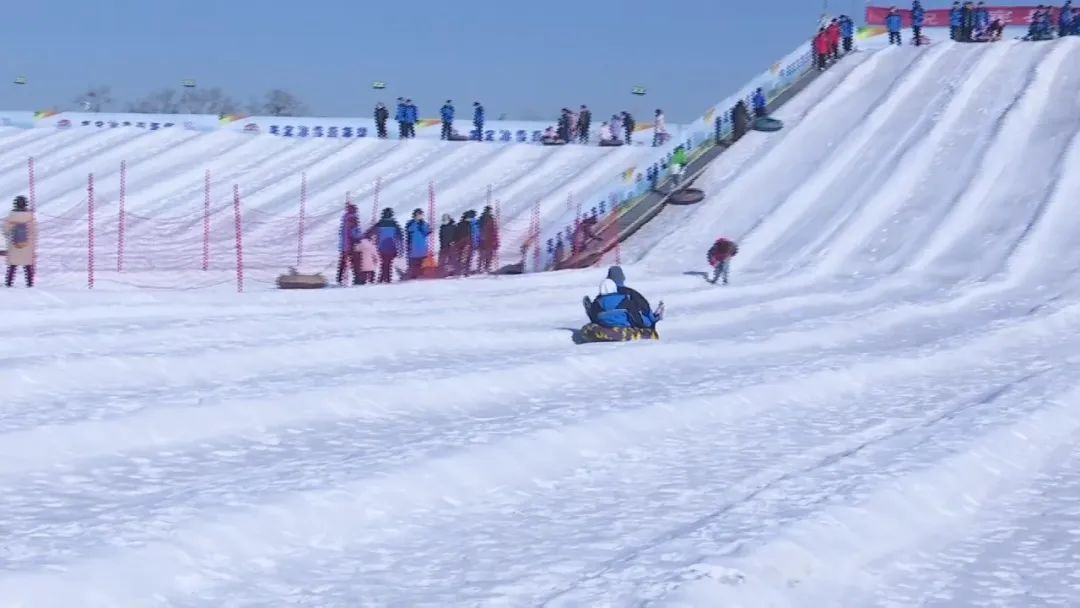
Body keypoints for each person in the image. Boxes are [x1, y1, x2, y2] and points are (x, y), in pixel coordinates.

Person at [584, 266, 661, 330]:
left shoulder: (599, 298)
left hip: (604, 323)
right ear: (622, 277)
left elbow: (594, 314)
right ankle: (653, 318)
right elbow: (643, 307)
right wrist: (650, 322)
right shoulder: (628, 294)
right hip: (626, 323)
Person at [4, 195, 36, 288]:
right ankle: (30, 283)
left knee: (12, 265)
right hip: (27, 244)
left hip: (14, 244)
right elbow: (33, 231)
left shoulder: (11, 216)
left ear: (15, 204)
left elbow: (6, 231)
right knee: (28, 265)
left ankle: (9, 283)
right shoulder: (30, 216)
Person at [370, 207, 402, 283]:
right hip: (391, 246)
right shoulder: (395, 224)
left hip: (381, 247)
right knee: (388, 263)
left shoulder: (380, 223)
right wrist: (400, 249)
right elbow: (399, 237)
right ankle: (387, 278)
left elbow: (371, 232)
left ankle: (382, 278)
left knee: (384, 263)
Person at [404, 208, 432, 279]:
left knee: (422, 264)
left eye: (421, 214)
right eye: (419, 214)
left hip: (422, 248)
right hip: (413, 248)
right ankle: (413, 276)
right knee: (413, 264)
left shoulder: (424, 224)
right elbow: (408, 231)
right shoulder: (411, 223)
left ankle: (421, 275)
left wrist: (422, 225)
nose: (420, 216)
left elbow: (428, 231)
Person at [336, 203, 360, 286]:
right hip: (351, 245)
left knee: (342, 263)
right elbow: (354, 233)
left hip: (344, 245)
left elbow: (342, 234)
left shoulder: (345, 219)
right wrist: (360, 237)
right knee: (355, 263)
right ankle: (357, 279)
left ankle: (339, 279)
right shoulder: (353, 219)